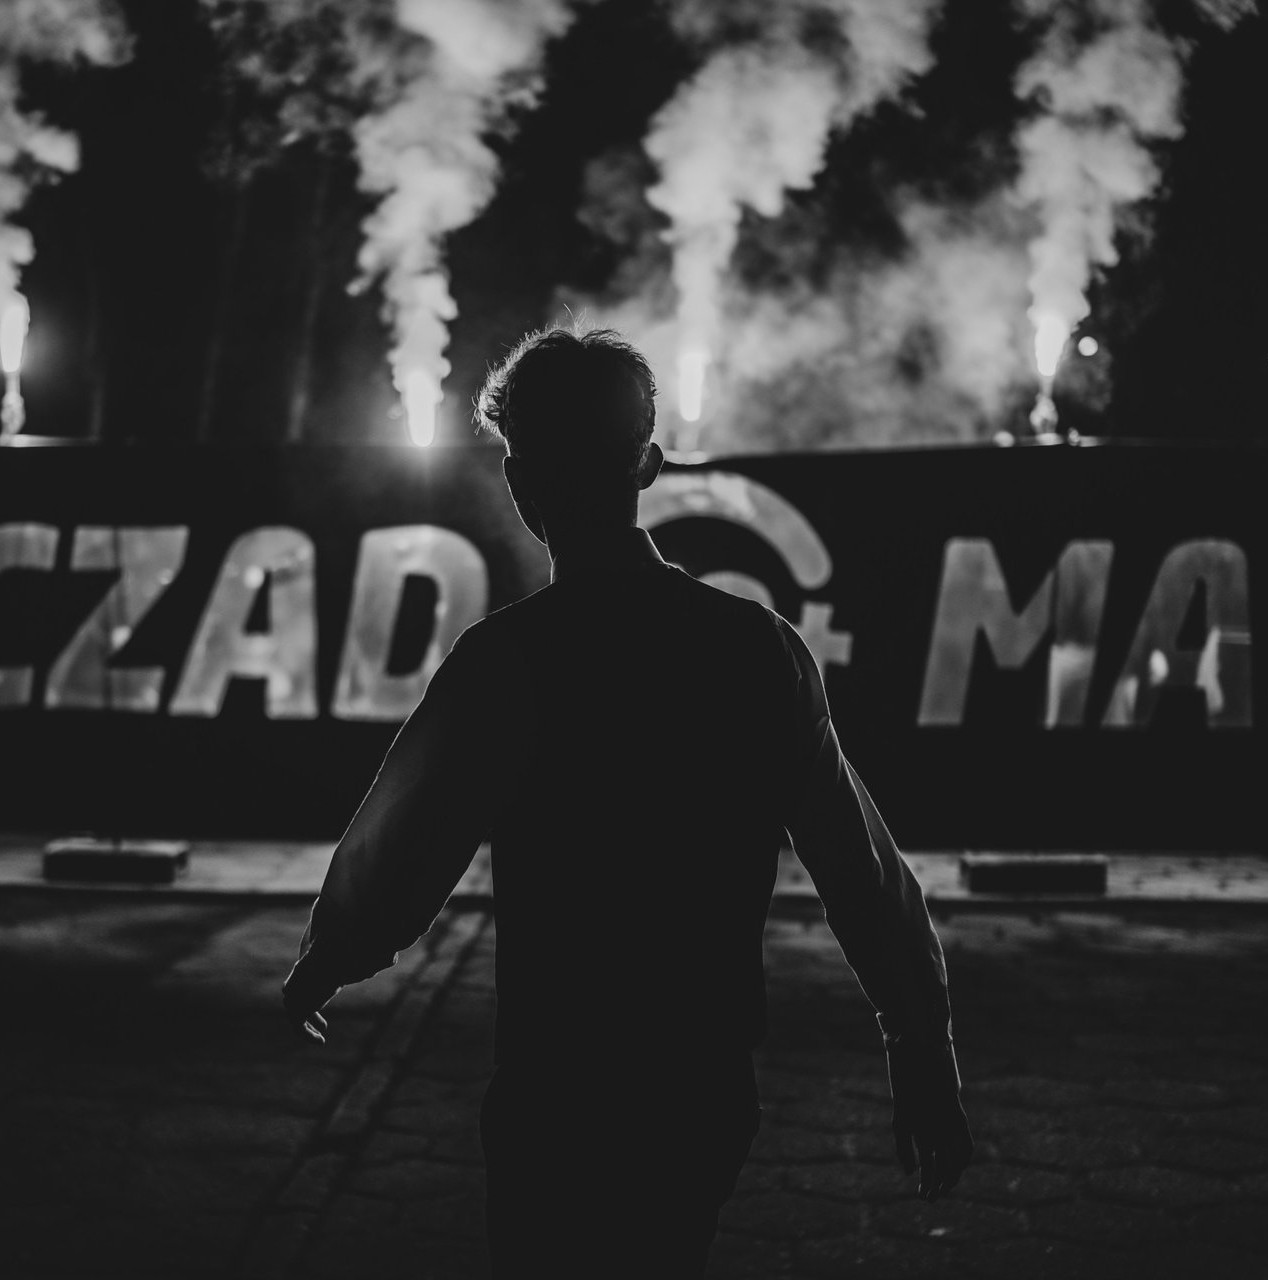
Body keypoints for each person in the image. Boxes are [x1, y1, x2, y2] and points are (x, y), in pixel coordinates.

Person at [281, 324, 972, 1276]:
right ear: (647, 463)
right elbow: (856, 865)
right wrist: (919, 1038)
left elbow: (408, 840)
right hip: (700, 1080)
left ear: (520, 485)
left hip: (557, 1081)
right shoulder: (755, 653)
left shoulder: (509, 662)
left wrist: (332, 954)